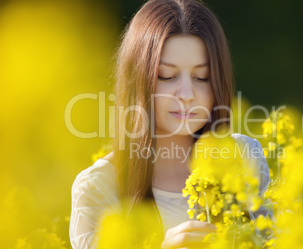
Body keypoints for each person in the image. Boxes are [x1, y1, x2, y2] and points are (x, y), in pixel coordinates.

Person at [69, 0, 271, 248]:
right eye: (167, 76)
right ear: (138, 80)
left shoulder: (244, 158)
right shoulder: (97, 188)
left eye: (202, 77)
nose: (186, 93)